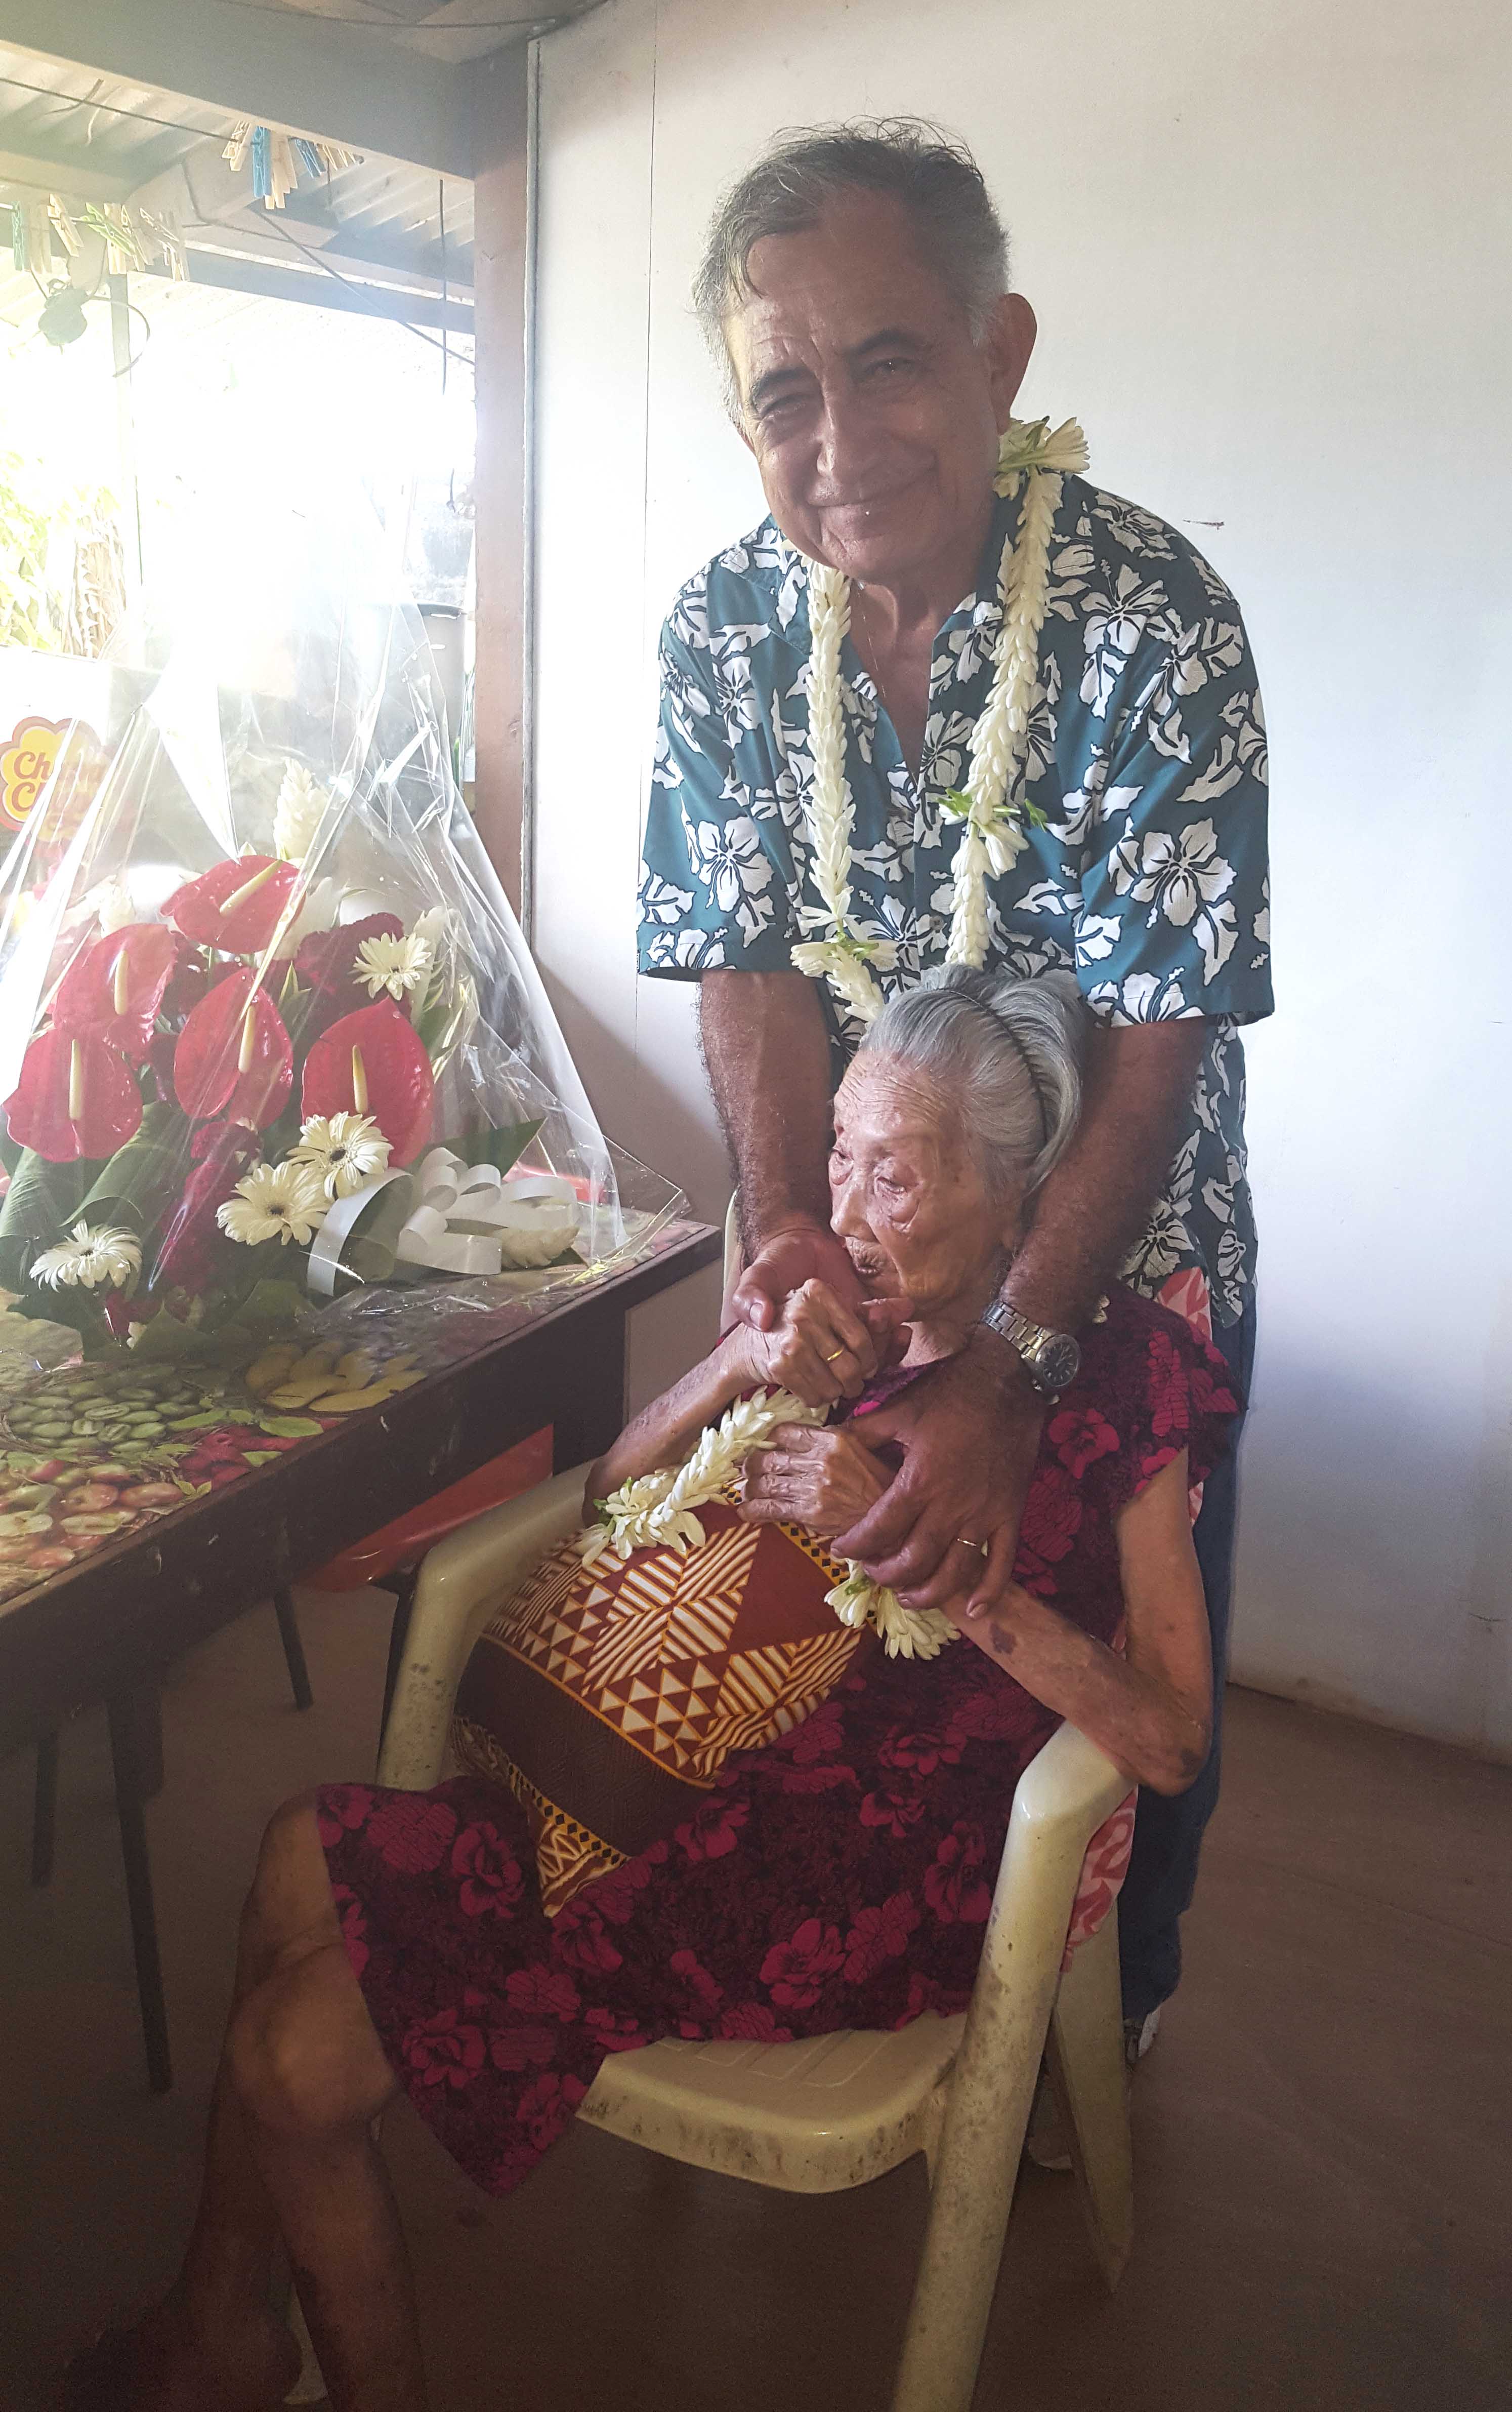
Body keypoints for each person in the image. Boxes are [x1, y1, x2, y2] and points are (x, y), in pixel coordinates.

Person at [73, 971, 1234, 2412]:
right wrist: (740, 1362)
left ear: (1022, 1193)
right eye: (837, 1163)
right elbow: (614, 1495)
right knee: (292, 1856)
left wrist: (953, 1578)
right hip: (675, 1783)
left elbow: (1170, 1740)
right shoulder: (829, 1320)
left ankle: (234, 2336)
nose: (853, 1213)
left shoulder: (1121, 1380)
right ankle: (224, 2328)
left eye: (895, 1175)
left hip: (856, 1866)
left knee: (294, 2062)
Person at [637, 118, 1271, 2040]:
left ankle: (1111, 2009)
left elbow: (1158, 1037)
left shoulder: (1154, 621)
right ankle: (863, 1971)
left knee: (1139, 1647)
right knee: (860, 1628)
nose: (837, 439)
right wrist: (792, 1233)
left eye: (888, 360)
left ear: (997, 353)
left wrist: (1019, 1358)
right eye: (782, 392)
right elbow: (745, 967)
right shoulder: (723, 629)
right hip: (872, 1232)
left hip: (1124, 1266)